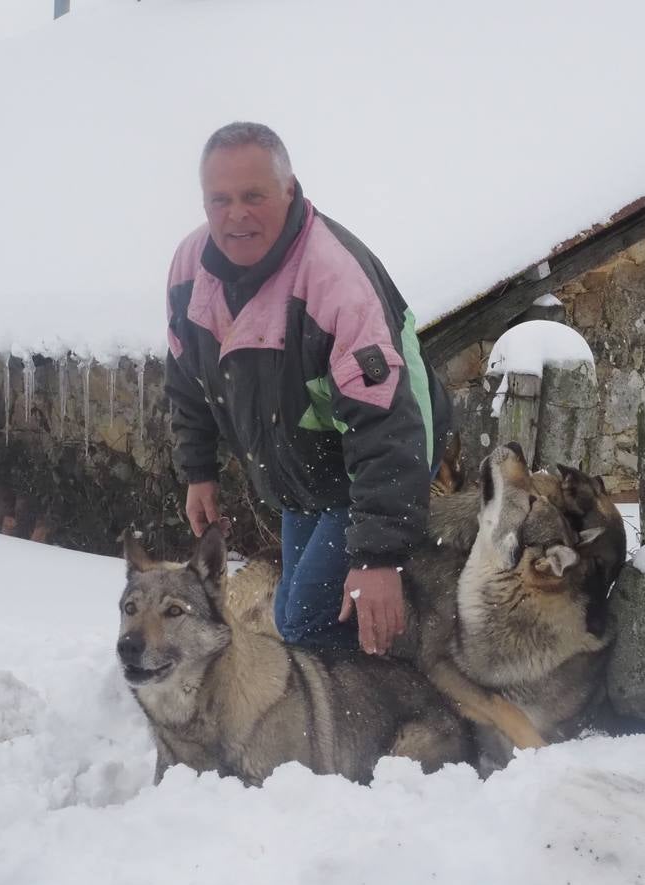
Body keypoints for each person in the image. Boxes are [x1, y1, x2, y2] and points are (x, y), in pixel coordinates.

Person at [164, 122, 453, 655]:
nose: (236, 215)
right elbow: (187, 377)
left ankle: (386, 716)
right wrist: (198, 472)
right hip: (305, 470)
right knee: (297, 614)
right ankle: (360, 690)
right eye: (219, 200)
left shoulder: (333, 281)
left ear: (289, 190)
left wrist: (378, 558)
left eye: (254, 196)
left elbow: (388, 423)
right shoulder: (189, 272)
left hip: (378, 457)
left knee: (306, 622)